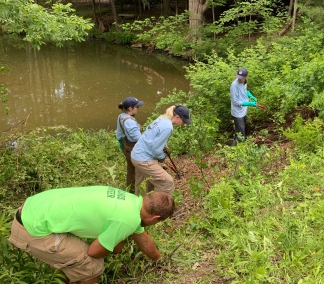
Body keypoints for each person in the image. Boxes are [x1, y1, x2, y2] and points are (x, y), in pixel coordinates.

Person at [8, 186, 175, 284]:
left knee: (74, 258)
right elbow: (94, 251)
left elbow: (145, 242)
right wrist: (113, 245)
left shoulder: (132, 202)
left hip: (33, 208)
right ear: (155, 218)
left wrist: (160, 261)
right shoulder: (128, 219)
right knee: (91, 266)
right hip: (33, 229)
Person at [131, 105, 192, 195]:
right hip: (143, 159)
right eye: (183, 121)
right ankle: (162, 206)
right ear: (177, 117)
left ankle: (143, 204)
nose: (184, 124)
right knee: (167, 182)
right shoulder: (168, 127)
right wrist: (162, 157)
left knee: (142, 184)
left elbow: (153, 136)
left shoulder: (162, 118)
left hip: (136, 154)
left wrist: (163, 145)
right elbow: (156, 149)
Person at [116, 96, 144, 194]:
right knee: (139, 171)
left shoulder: (121, 116)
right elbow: (140, 140)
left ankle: (129, 191)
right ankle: (136, 192)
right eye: (137, 107)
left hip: (126, 146)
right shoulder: (130, 122)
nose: (138, 108)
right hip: (133, 149)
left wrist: (121, 144)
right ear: (130, 108)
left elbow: (119, 134)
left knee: (131, 169)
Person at [230, 68, 260, 146]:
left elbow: (244, 90)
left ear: (246, 77)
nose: (239, 79)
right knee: (241, 134)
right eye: (238, 77)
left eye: (242, 78)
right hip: (237, 113)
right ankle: (232, 151)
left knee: (240, 131)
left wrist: (250, 95)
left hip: (243, 110)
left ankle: (238, 147)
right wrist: (249, 103)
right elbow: (235, 102)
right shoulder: (234, 85)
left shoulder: (245, 82)